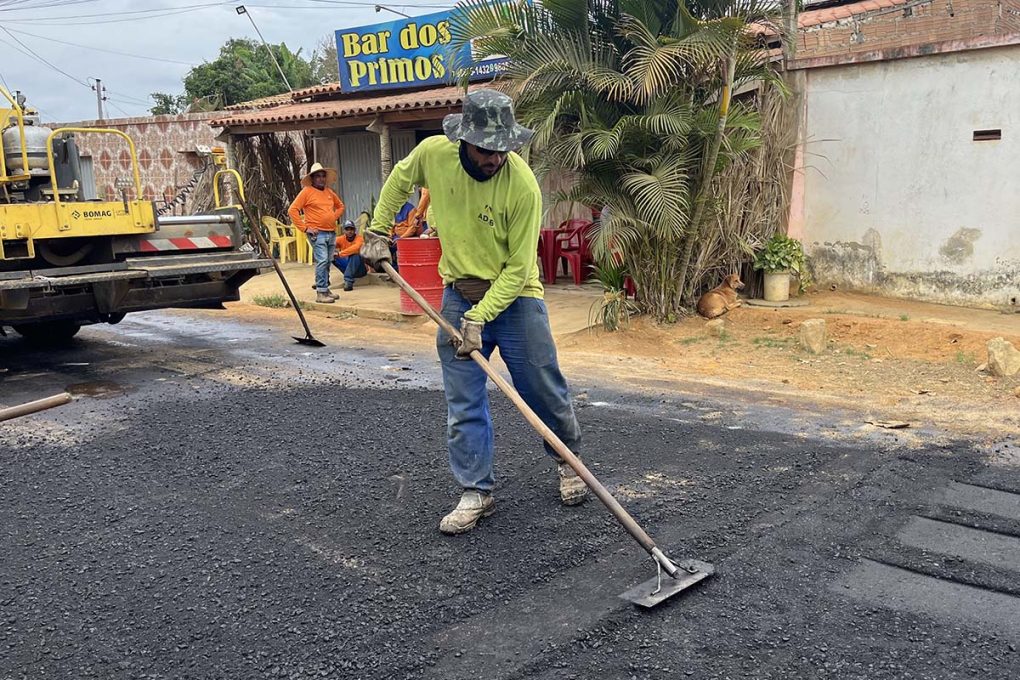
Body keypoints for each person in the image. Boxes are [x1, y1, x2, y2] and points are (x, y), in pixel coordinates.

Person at [360, 89, 587, 535]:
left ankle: (569, 461)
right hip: (458, 294)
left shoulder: (521, 186)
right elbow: (398, 181)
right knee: (463, 399)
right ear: (464, 139)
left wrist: (481, 317)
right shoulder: (433, 154)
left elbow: (521, 267)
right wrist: (377, 230)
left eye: (503, 150)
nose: (495, 159)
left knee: (542, 388)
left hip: (516, 297)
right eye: (486, 150)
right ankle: (476, 490)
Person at [288, 162, 345, 304]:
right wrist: (305, 228)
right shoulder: (306, 192)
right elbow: (292, 210)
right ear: (312, 178)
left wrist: (333, 217)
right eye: (317, 176)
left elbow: (340, 206)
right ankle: (321, 291)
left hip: (331, 232)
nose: (321, 179)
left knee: (328, 261)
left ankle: (325, 288)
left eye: (323, 176)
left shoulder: (329, 192)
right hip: (317, 233)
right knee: (322, 260)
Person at [333, 220, 367, 291]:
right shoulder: (341, 239)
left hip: (360, 269)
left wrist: (339, 254)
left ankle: (348, 282)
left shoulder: (359, 238)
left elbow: (356, 248)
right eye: (347, 229)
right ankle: (324, 280)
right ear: (344, 231)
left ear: (354, 230)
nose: (349, 231)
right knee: (329, 255)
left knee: (355, 254)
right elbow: (330, 244)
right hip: (346, 267)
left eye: (351, 229)